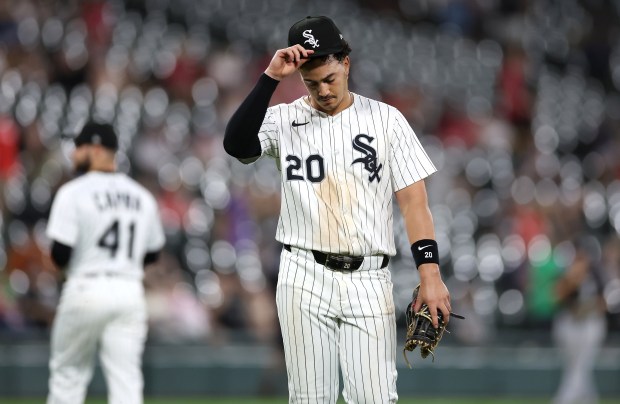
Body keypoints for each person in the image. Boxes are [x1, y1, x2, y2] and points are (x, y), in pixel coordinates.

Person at [224, 16, 451, 403]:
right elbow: (237, 145)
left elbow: (415, 204)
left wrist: (430, 274)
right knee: (311, 398)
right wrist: (270, 78)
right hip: (303, 274)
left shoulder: (386, 121)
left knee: (375, 398)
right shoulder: (284, 119)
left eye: (330, 77)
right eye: (312, 82)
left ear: (346, 63)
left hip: (369, 278)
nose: (323, 90)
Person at [46, 121, 166, 404]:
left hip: (85, 286)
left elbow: (60, 253)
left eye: (79, 148)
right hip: (129, 292)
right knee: (127, 383)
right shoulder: (142, 196)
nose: (74, 155)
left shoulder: (73, 192)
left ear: (97, 149)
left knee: (68, 377)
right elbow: (153, 253)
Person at [552, 237, 608, 404]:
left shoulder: (597, 272)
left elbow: (605, 302)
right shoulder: (566, 271)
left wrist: (590, 307)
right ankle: (589, 399)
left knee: (582, 364)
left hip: (591, 322)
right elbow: (556, 296)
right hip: (569, 323)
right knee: (576, 365)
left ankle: (563, 399)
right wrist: (573, 279)